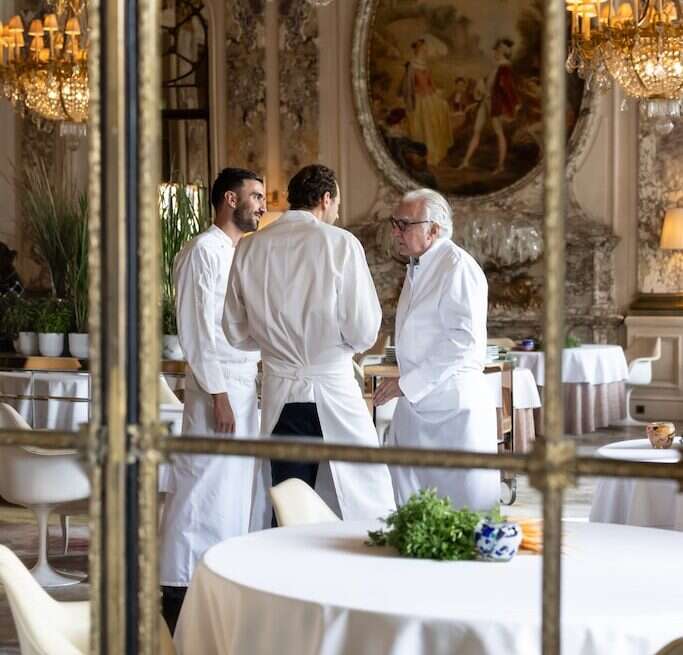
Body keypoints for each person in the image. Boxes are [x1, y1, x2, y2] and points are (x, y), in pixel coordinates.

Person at [223, 164, 395, 521]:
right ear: (325, 198)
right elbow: (364, 328)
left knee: (287, 500)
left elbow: (235, 331)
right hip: (332, 389)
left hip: (280, 392)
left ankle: (281, 574)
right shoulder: (340, 244)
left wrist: (275, 345)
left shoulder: (250, 248)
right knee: (362, 496)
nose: (338, 212)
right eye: (337, 203)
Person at [159, 167, 265, 633]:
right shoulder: (203, 251)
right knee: (201, 488)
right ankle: (179, 588)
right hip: (215, 390)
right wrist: (219, 394)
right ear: (229, 199)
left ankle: (218, 580)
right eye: (255, 196)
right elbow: (198, 330)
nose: (262, 205)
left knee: (233, 492)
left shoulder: (238, 252)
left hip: (243, 386)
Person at [374, 188, 499, 512]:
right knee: (415, 513)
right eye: (394, 223)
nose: (395, 232)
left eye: (405, 224)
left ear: (434, 229)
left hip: (454, 411)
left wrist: (407, 383)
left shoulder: (457, 266)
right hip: (420, 408)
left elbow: (463, 340)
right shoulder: (419, 266)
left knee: (461, 515)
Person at [459, 38, 521, 173]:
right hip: (486, 102)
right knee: (477, 130)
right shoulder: (497, 67)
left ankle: (500, 166)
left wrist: (514, 104)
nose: (494, 52)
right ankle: (465, 161)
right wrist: (482, 84)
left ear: (502, 52)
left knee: (499, 133)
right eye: (495, 50)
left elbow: (507, 88)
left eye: (497, 50)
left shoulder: (504, 67)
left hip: (495, 104)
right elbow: (491, 84)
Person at [400, 38, 453, 166]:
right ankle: (424, 155)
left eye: (425, 49)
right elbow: (407, 87)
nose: (425, 51)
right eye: (423, 49)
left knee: (442, 108)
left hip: (430, 97)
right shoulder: (411, 66)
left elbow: (431, 84)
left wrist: (436, 92)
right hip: (419, 100)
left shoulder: (425, 65)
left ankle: (435, 153)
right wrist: (415, 94)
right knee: (424, 126)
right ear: (417, 50)